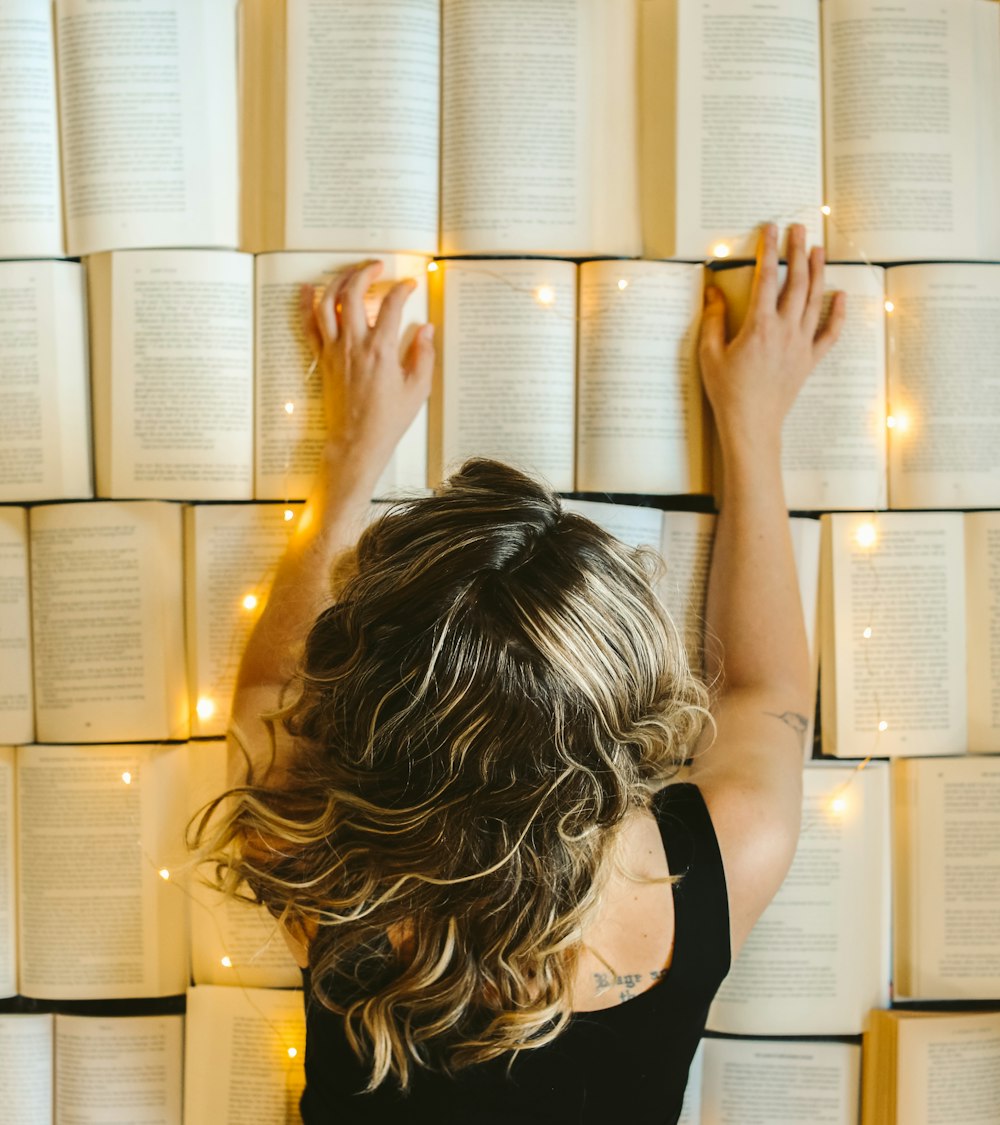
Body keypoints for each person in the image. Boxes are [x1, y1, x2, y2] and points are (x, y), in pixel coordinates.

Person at [191, 222, 845, 1123]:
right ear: (628, 713)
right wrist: (753, 425)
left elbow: (264, 687)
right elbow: (764, 694)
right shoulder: (721, 860)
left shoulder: (310, 854)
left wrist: (350, 462)